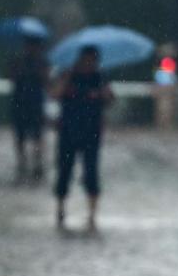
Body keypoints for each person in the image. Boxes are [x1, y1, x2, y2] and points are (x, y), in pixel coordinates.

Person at [51, 45, 113, 230]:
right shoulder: (67, 75)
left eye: (92, 60)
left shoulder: (100, 78)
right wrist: (67, 79)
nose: (89, 63)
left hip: (91, 133)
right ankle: (60, 210)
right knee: (64, 171)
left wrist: (102, 93)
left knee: (91, 173)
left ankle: (92, 215)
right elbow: (55, 94)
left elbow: (110, 100)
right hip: (68, 132)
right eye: (86, 59)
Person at [9, 36, 50, 182]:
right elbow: (11, 78)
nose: (31, 49)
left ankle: (37, 163)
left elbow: (47, 81)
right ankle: (22, 164)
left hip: (35, 104)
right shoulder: (17, 61)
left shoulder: (42, 62)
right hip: (20, 104)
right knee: (20, 137)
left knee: (37, 136)